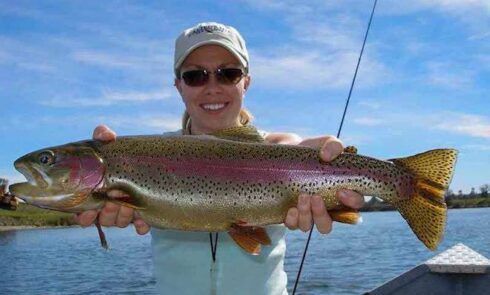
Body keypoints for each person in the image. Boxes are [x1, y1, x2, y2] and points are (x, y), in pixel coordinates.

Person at [75, 22, 364, 295]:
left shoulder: (273, 147)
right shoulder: (148, 155)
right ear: (179, 86)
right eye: (195, 75)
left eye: (228, 73)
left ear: (246, 82)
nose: (212, 86)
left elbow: (295, 145)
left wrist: (328, 158)